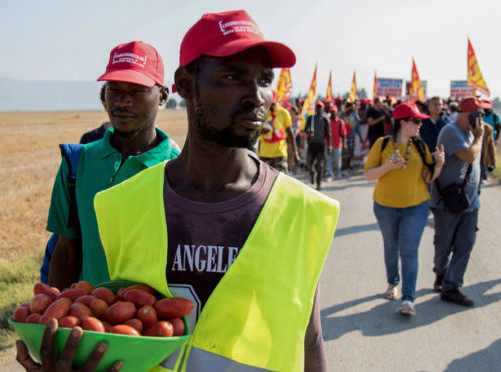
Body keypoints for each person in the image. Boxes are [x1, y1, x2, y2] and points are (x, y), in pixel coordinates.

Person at [17, 10, 340, 372]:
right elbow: (104, 323)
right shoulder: (120, 205)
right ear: (186, 84)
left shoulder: (303, 210)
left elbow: (308, 338)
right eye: (233, 76)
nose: (256, 96)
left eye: (265, 80)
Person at [45, 41, 180, 290]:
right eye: (114, 89)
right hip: (89, 319)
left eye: (137, 90)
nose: (122, 101)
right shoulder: (78, 163)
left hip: (153, 323)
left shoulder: (178, 169)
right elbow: (66, 250)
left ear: (162, 97)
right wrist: (55, 312)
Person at [364, 102, 444, 316]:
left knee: (409, 251)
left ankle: (408, 299)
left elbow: (428, 177)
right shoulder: (382, 145)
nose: (420, 125)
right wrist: (388, 166)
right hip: (385, 207)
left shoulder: (420, 146)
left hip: (416, 207)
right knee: (391, 246)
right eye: (416, 121)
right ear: (402, 122)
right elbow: (368, 174)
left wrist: (438, 166)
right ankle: (393, 283)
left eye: (420, 121)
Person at [430, 96, 489, 307]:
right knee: (444, 244)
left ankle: (451, 286)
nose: (480, 120)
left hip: (470, 202)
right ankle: (441, 272)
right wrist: (479, 137)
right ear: (466, 115)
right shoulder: (451, 132)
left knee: (466, 243)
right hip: (448, 202)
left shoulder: (470, 134)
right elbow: (469, 156)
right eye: (477, 115)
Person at [258, 95, 300, 173]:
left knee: (280, 181)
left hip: (280, 153)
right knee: (265, 182)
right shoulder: (262, 112)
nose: (271, 105)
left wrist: (295, 153)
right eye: (270, 103)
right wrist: (261, 131)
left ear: (276, 101)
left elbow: (290, 133)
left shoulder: (283, 113)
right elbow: (254, 131)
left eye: (273, 103)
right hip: (264, 153)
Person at [305, 101, 330, 189]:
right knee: (310, 165)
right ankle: (312, 174)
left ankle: (318, 183)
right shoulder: (310, 118)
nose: (319, 109)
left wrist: (329, 146)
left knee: (319, 165)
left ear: (323, 109)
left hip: (321, 145)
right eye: (317, 107)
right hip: (312, 144)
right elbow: (305, 129)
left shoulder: (325, 120)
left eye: (320, 107)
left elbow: (328, 134)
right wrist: (309, 131)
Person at [327, 105, 348, 179]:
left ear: (336, 112)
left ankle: (338, 172)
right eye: (331, 112)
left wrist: (344, 144)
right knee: (328, 160)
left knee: (337, 160)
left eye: (334, 112)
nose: (333, 113)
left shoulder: (340, 121)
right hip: (328, 144)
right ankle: (330, 174)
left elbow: (344, 134)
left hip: (338, 144)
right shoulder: (327, 121)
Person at [342, 101, 360, 172]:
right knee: (345, 153)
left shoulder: (354, 115)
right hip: (344, 137)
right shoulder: (342, 116)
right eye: (351, 108)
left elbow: (357, 127)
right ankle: (344, 166)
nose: (352, 109)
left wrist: (360, 136)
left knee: (351, 152)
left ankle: (348, 164)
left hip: (352, 137)